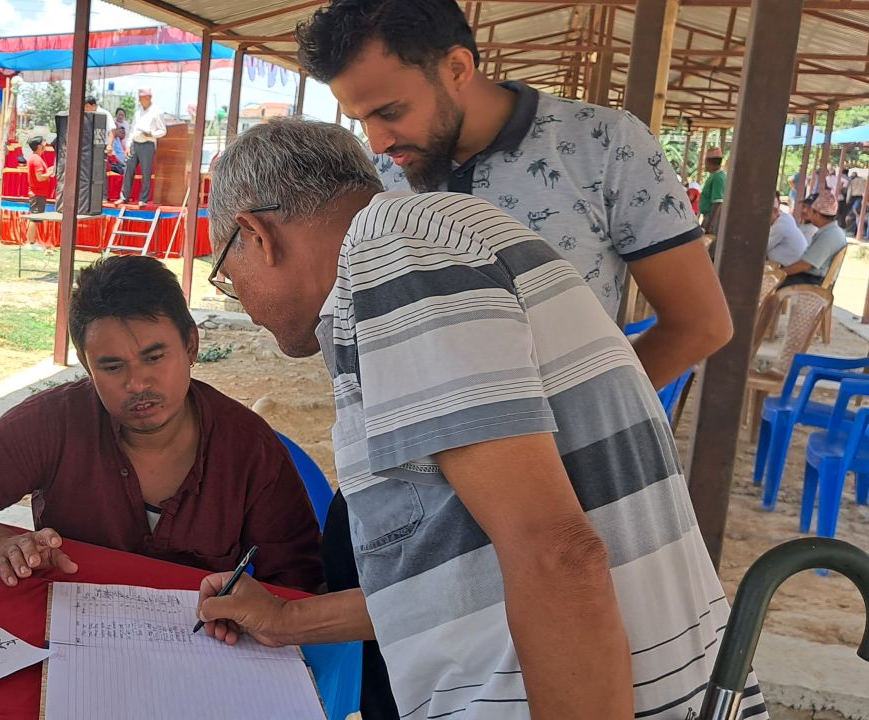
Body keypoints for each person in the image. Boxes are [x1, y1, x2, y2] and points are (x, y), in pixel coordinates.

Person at [200, 116, 767, 720]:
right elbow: (481, 574)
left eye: (230, 281)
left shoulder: (392, 258)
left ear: (256, 234)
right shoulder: (441, 233)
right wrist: (289, 619)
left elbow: (556, 555)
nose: (248, 308)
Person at [297, 0, 732, 390]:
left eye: (390, 112)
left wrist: (592, 423)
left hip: (558, 470)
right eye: (360, 119)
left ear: (457, 69)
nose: (377, 142)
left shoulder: (603, 145)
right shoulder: (384, 172)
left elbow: (700, 324)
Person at [0, 256, 323, 592]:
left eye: (155, 357)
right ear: (87, 367)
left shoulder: (249, 448)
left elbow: (301, 584)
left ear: (191, 345)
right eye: (111, 366)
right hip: (76, 643)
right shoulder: (56, 421)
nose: (137, 383)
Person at [782, 190, 850, 288]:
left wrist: (780, 273)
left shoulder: (829, 235)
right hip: (809, 277)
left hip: (812, 280)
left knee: (769, 283)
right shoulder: (831, 231)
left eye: (810, 211)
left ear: (817, 213)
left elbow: (805, 265)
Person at [120, 88, 166, 206]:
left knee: (146, 172)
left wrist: (151, 134)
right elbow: (132, 130)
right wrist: (128, 145)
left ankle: (143, 199)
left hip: (147, 144)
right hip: (135, 143)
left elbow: (163, 130)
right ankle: (124, 196)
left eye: (142, 98)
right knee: (128, 169)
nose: (140, 101)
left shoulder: (157, 111)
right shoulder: (137, 112)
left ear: (148, 98)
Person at [24, 136, 55, 248]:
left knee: (34, 216)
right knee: (35, 218)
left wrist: (48, 171)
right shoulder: (36, 159)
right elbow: (40, 178)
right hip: (37, 193)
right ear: (38, 146)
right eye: (43, 143)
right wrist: (50, 173)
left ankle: (30, 241)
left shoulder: (35, 158)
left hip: (37, 192)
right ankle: (31, 243)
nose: (45, 145)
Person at [768, 192, 808, 267]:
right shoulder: (785, 217)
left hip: (790, 269)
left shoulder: (781, 224)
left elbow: (761, 248)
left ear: (775, 211)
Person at [702, 152, 727, 232]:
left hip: (714, 218)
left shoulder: (718, 178)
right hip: (709, 216)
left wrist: (709, 225)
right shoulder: (715, 176)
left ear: (709, 162)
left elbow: (718, 203)